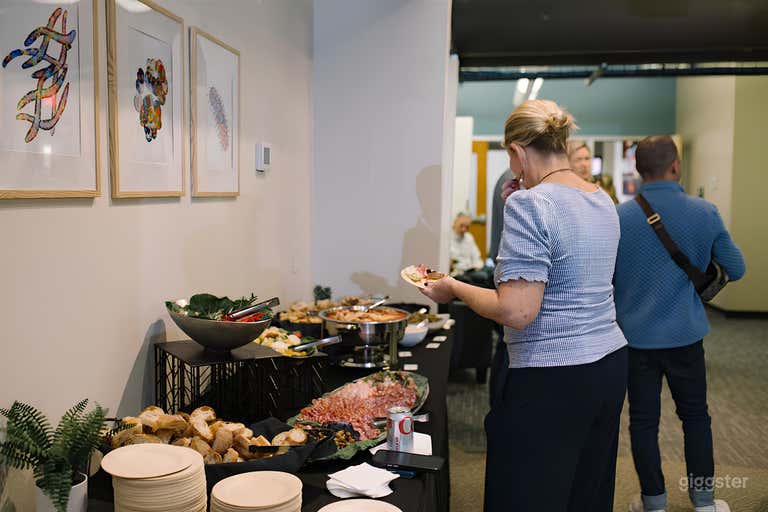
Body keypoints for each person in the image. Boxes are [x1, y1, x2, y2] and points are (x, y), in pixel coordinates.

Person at [421, 99, 628, 512]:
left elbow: (517, 311)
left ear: (516, 151)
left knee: (526, 493)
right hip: (608, 363)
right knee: (585, 488)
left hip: (552, 374)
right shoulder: (601, 199)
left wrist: (453, 288)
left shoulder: (531, 204)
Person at [614, 136, 746, 512]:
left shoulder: (620, 217)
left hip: (634, 339)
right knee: (695, 418)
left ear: (638, 170)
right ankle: (704, 501)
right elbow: (736, 268)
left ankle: (653, 501)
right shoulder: (705, 212)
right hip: (685, 336)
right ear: (675, 165)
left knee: (642, 422)